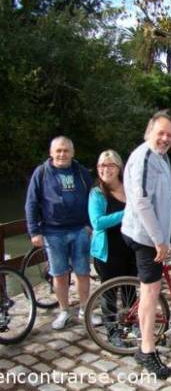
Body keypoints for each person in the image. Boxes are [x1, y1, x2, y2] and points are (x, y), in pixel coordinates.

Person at [121, 110, 171, 379]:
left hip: (158, 228)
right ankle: (146, 351)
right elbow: (140, 201)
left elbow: (168, 196)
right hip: (144, 234)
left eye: (169, 135)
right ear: (149, 131)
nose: (165, 138)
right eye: (160, 133)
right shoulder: (145, 157)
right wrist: (159, 241)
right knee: (150, 292)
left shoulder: (163, 156)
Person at [25, 136, 93, 330]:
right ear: (51, 153)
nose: (62, 154)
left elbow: (93, 197)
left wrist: (89, 224)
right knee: (59, 273)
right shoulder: (42, 173)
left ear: (72, 153)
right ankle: (64, 311)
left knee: (83, 272)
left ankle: (84, 309)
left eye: (66, 151)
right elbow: (31, 202)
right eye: (58, 151)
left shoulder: (81, 172)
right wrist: (34, 231)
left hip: (80, 229)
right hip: (53, 232)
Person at [88, 150, 137, 347]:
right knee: (109, 293)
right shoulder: (97, 193)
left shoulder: (129, 188)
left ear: (119, 168)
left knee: (130, 289)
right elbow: (97, 222)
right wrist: (125, 214)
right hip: (108, 251)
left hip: (130, 247)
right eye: (101, 166)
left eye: (109, 165)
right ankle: (112, 331)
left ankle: (131, 324)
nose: (105, 169)